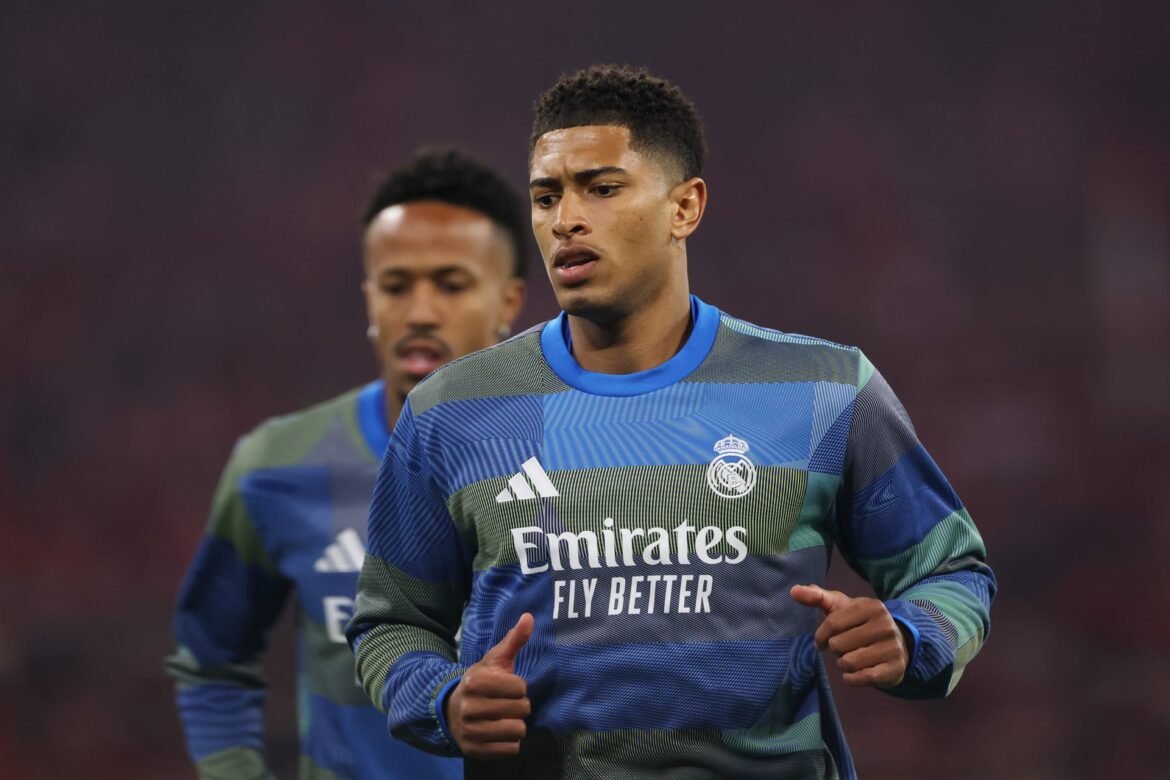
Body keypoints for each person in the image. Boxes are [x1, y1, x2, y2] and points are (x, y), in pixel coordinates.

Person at [348, 66, 996, 780]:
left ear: (684, 207)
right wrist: (442, 700)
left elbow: (950, 571)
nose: (565, 220)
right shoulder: (452, 409)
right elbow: (392, 622)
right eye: (546, 196)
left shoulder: (825, 389)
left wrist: (910, 634)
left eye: (601, 188)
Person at [166, 148, 528, 780]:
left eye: (451, 284)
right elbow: (211, 660)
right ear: (369, 299)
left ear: (509, 302)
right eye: (395, 286)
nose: (419, 312)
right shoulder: (278, 468)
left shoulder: (576, 462)